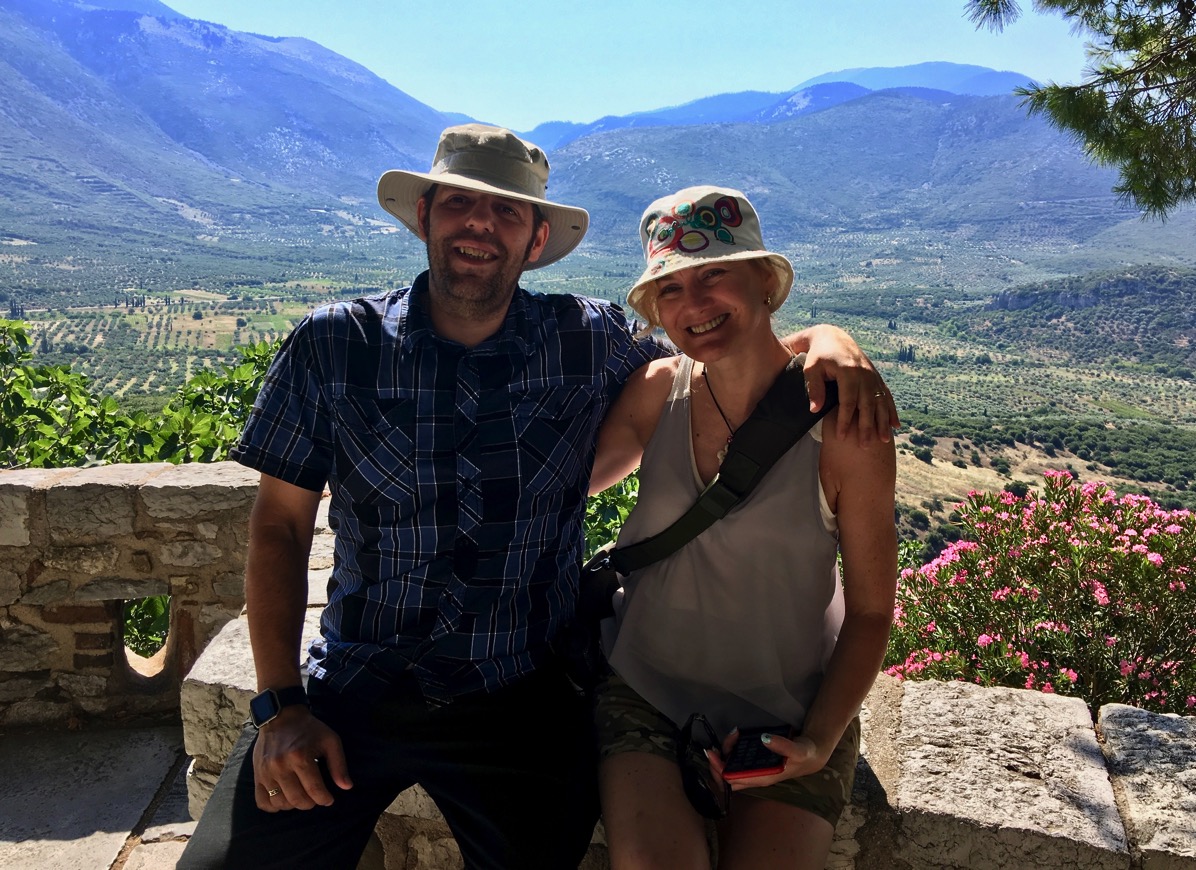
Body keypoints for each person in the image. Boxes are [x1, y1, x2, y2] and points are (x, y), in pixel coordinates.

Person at [178, 127, 897, 870]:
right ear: (423, 216)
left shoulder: (586, 340)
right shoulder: (334, 344)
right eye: (460, 203)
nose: (480, 225)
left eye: (507, 212)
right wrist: (280, 706)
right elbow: (280, 530)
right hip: (357, 682)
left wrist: (831, 341)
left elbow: (728, 349)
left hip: (518, 696)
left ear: (537, 236)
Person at [589, 185, 898, 870]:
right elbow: (559, 489)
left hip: (791, 709)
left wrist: (819, 741)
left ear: (766, 283)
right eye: (670, 290)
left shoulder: (844, 429)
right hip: (646, 687)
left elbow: (874, 610)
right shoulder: (654, 394)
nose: (692, 305)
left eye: (714, 276)